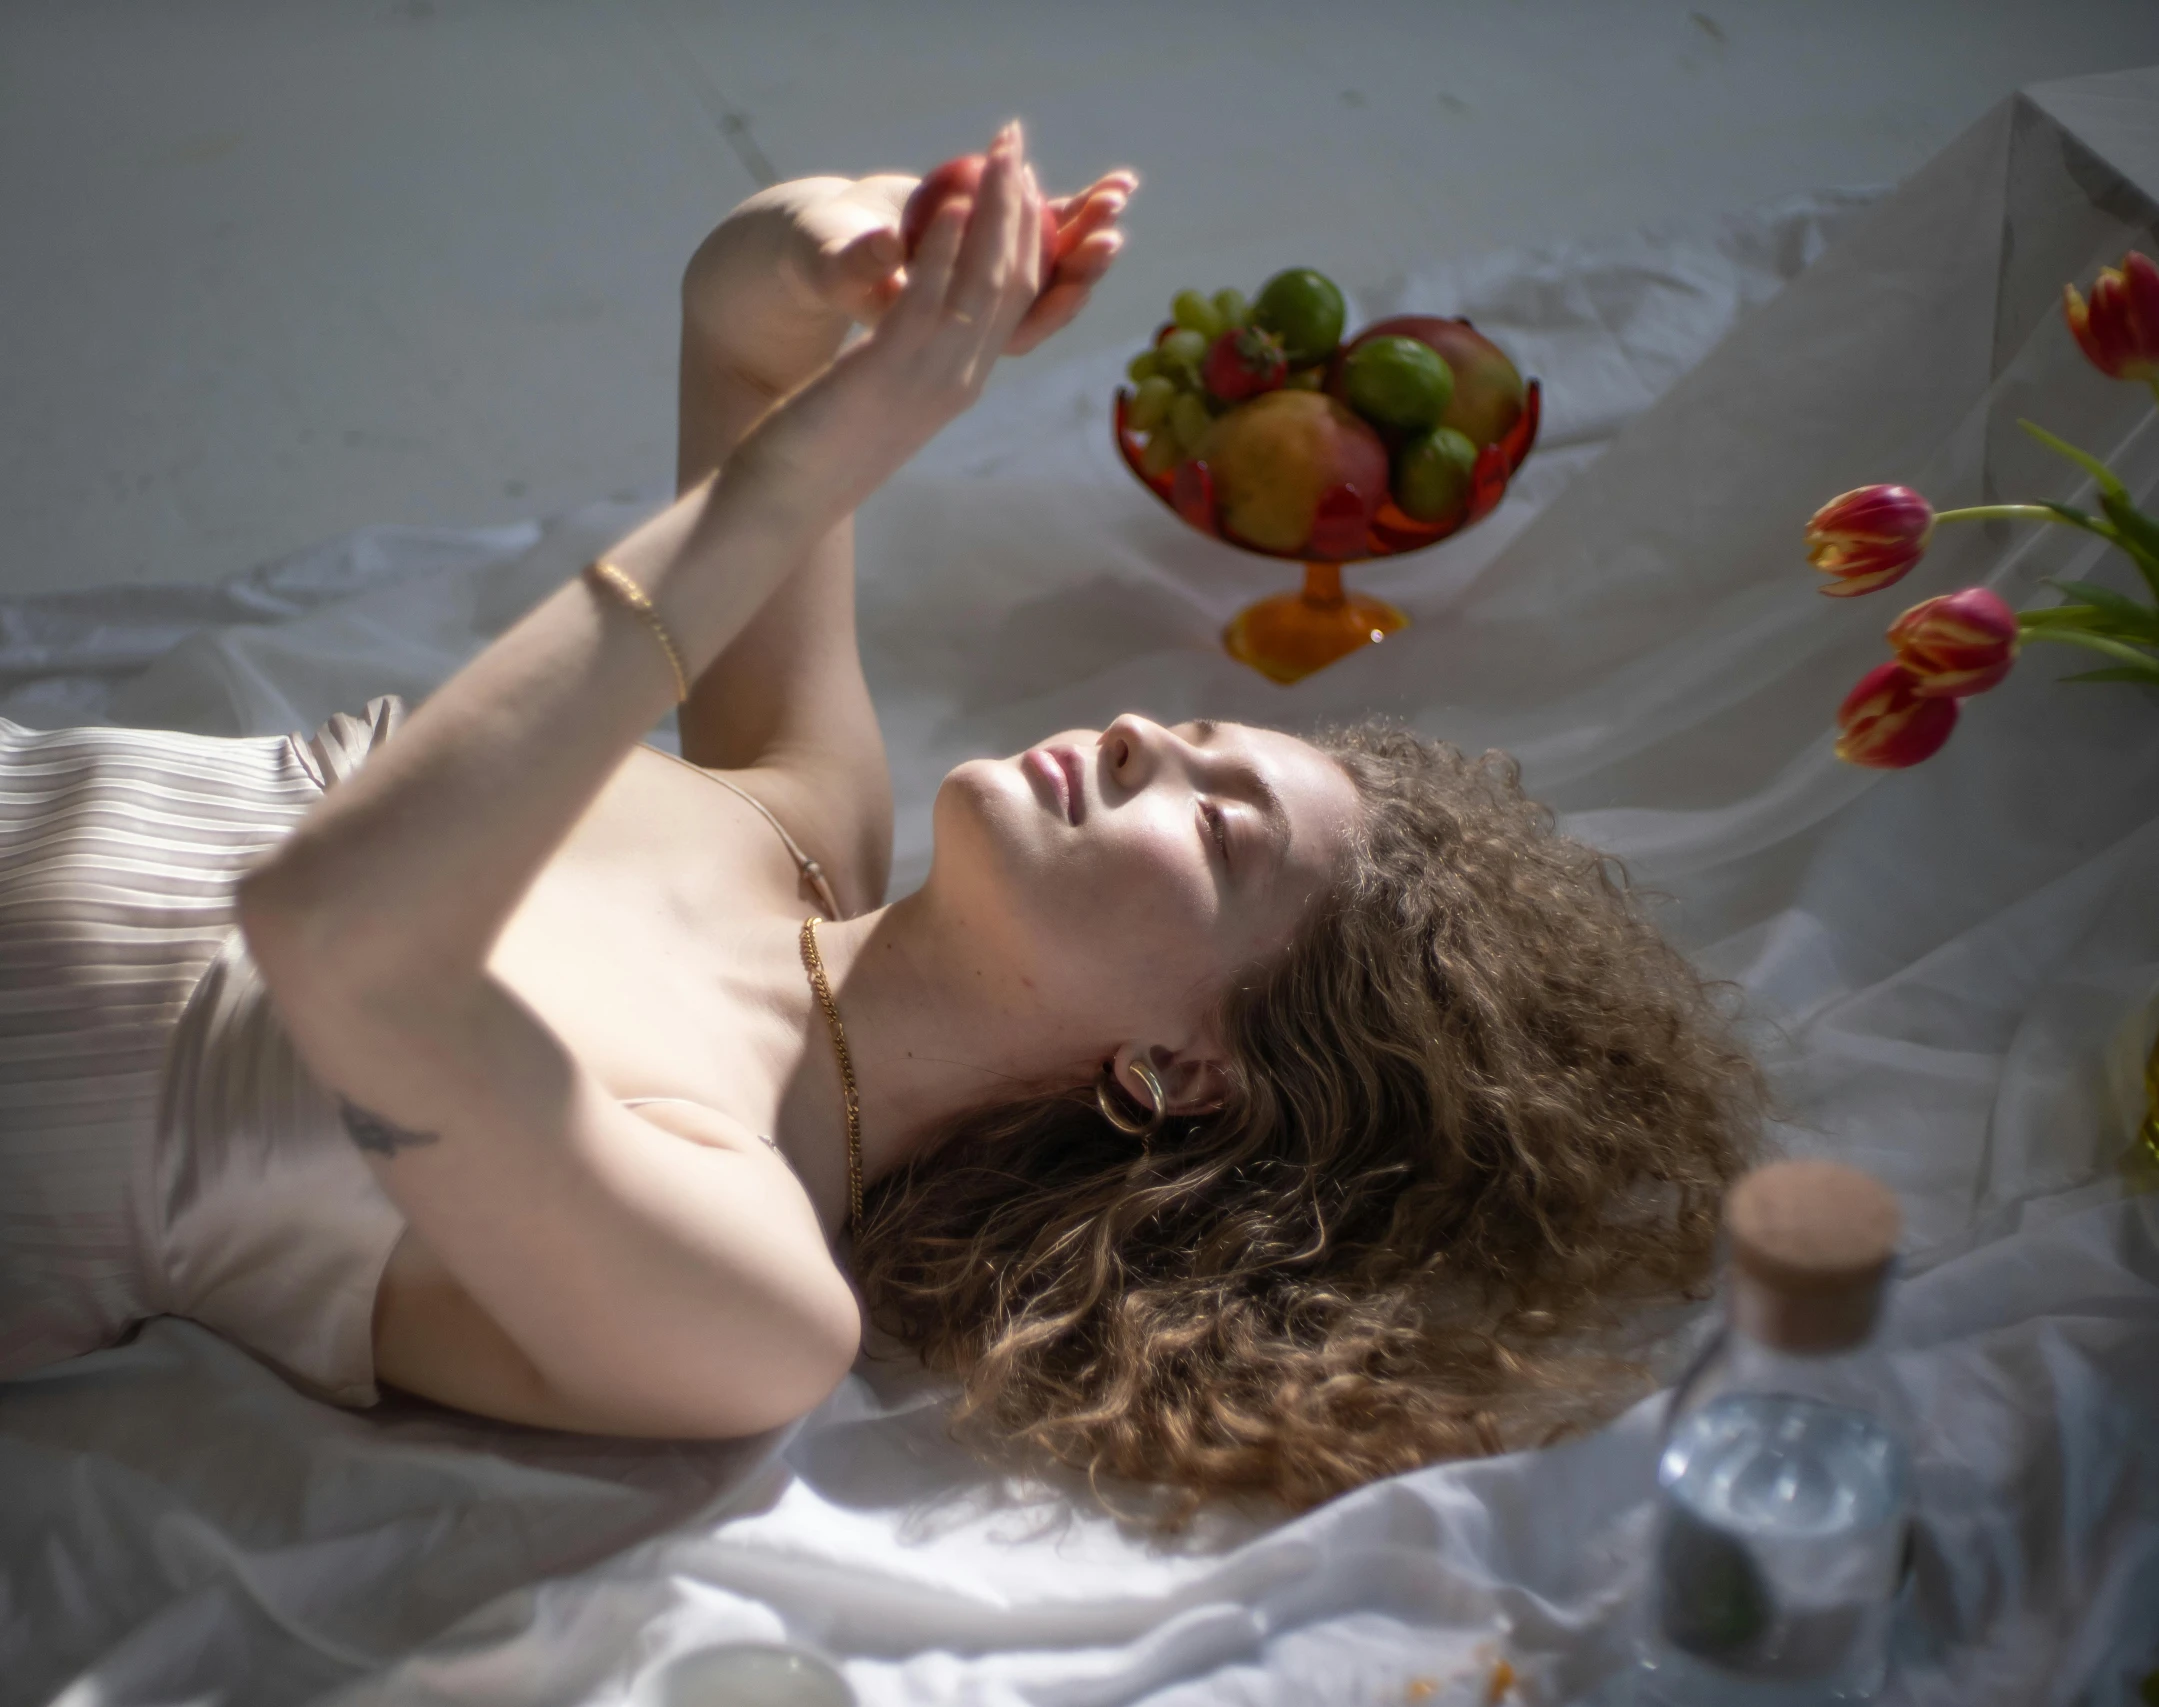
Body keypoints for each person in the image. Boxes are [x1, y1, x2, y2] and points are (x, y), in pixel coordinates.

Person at [0, 125, 1756, 1519]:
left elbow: (349, 941)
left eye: (1218, 832)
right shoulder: (799, 820)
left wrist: (809, 476)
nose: (1146, 731)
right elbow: (737, 324)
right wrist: (861, 253)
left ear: (1179, 1076)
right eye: (1204, 729)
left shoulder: (753, 1299)